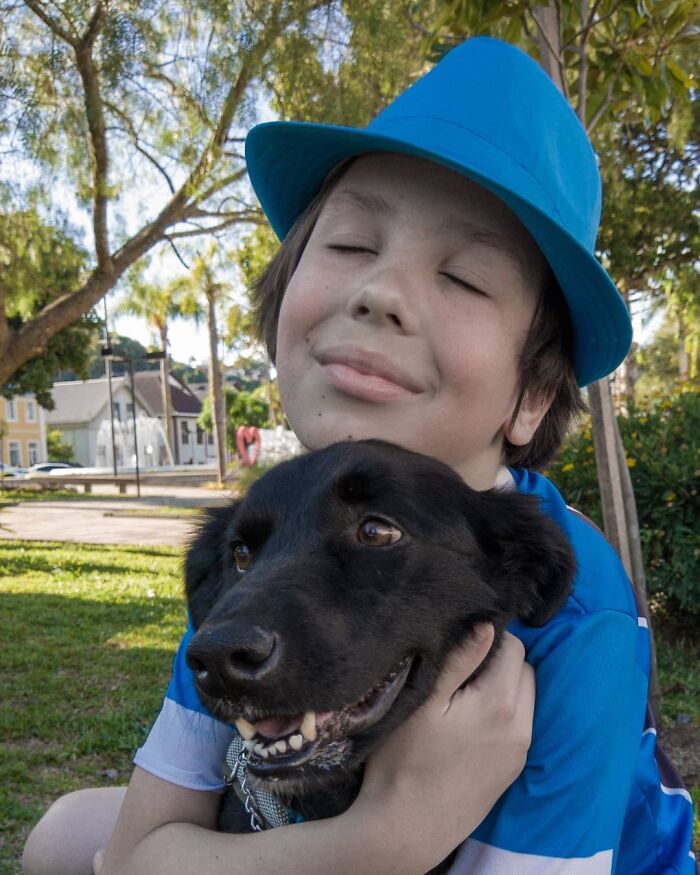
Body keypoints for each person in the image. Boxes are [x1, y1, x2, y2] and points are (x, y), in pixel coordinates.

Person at [23, 36, 695, 875]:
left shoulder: (577, 613)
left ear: (530, 395)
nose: (380, 294)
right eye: (349, 246)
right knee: (61, 837)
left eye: (465, 278)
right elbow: (131, 859)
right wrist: (378, 843)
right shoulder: (261, 553)